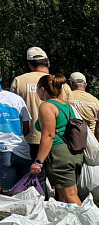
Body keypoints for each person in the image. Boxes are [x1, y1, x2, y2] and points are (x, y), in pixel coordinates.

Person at [11, 47, 68, 197]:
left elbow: (14, 110)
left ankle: (41, 206)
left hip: (30, 137)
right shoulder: (60, 83)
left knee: (37, 177)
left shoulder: (19, 81)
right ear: (47, 63)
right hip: (59, 139)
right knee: (60, 181)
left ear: (30, 65)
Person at [29, 74, 82, 204]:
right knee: (65, 196)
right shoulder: (67, 106)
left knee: (70, 196)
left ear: (42, 89)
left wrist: (38, 161)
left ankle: (86, 223)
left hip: (60, 154)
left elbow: (48, 135)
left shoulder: (46, 106)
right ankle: (74, 222)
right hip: (73, 152)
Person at [0, 70, 33, 190]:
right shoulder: (16, 98)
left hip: (3, 152)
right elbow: (27, 127)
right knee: (26, 191)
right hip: (22, 149)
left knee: (9, 193)